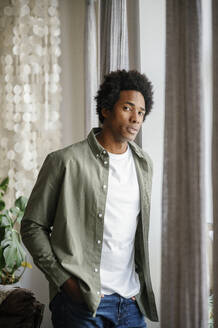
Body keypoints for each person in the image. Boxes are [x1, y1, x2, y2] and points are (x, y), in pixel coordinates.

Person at [21, 69, 158, 327]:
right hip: (81, 304)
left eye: (141, 112)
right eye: (128, 108)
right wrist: (64, 282)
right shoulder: (64, 162)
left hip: (130, 302)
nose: (136, 118)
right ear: (106, 109)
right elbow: (31, 226)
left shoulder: (144, 164)